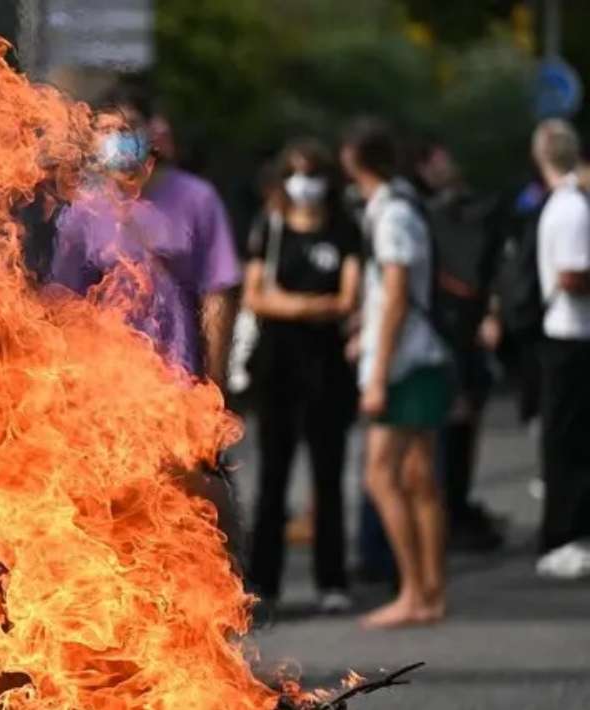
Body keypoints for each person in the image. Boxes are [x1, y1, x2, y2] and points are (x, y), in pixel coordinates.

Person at [50, 86, 240, 382]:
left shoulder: (196, 199)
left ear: (150, 133)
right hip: (107, 380)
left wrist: (215, 377)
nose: (118, 139)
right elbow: (66, 300)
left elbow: (217, 294)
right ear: (92, 141)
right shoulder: (83, 212)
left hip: (179, 377)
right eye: (106, 130)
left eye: (128, 129)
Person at [341, 118, 451, 628]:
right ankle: (430, 593)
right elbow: (393, 293)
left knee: (380, 475)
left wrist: (378, 373)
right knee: (419, 477)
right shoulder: (399, 205)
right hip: (421, 356)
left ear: (351, 159)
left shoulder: (391, 216)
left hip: (405, 363)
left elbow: (399, 295)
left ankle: (413, 592)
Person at [243, 139, 361, 614]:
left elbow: (348, 298)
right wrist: (310, 307)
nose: (304, 184)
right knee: (273, 474)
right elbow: (255, 295)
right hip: (278, 365)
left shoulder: (343, 230)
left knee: (328, 474)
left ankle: (332, 580)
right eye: (295, 173)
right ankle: (265, 582)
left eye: (312, 173)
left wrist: (290, 303)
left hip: (328, 366)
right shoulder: (269, 227)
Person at [412, 140, 508, 552]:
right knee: (447, 430)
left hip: (461, 334)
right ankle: (449, 513)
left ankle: (455, 509)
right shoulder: (427, 216)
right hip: (446, 335)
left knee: (460, 427)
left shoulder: (450, 214)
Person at [530, 119, 590, 580]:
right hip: (570, 335)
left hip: (566, 335)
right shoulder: (572, 207)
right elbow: (572, 276)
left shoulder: (562, 203)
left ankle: (565, 533)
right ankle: (562, 537)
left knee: (567, 439)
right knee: (566, 442)